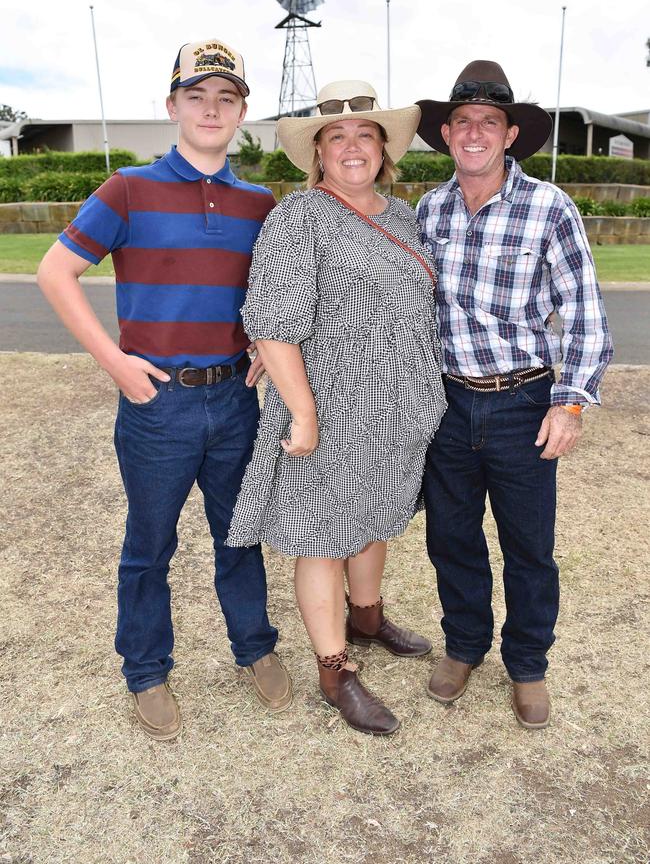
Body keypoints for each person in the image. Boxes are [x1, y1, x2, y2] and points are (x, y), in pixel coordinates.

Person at [37, 37, 292, 740]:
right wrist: (115, 362)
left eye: (227, 97)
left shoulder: (260, 203)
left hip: (236, 400)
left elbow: (270, 293)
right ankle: (147, 669)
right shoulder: (128, 188)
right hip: (158, 404)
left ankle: (255, 649)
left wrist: (268, 351)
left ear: (243, 110)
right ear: (173, 104)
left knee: (239, 536)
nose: (211, 109)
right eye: (197, 95)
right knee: (149, 546)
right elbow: (55, 274)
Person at [226, 80, 446, 735]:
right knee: (323, 539)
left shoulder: (405, 217)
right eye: (336, 136)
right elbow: (271, 322)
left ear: (383, 148)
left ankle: (369, 617)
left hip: (395, 405)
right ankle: (334, 669)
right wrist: (304, 412)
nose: (352, 146)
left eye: (365, 135)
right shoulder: (299, 219)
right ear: (319, 151)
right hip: (323, 406)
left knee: (376, 514)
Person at [415, 60, 613, 729]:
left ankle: (527, 663)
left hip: (523, 403)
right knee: (451, 538)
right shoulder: (430, 210)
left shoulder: (549, 208)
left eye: (489, 122)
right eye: (463, 121)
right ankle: (464, 646)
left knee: (529, 546)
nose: (475, 133)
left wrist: (571, 399)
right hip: (446, 402)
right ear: (447, 133)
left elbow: (584, 314)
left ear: (508, 134)